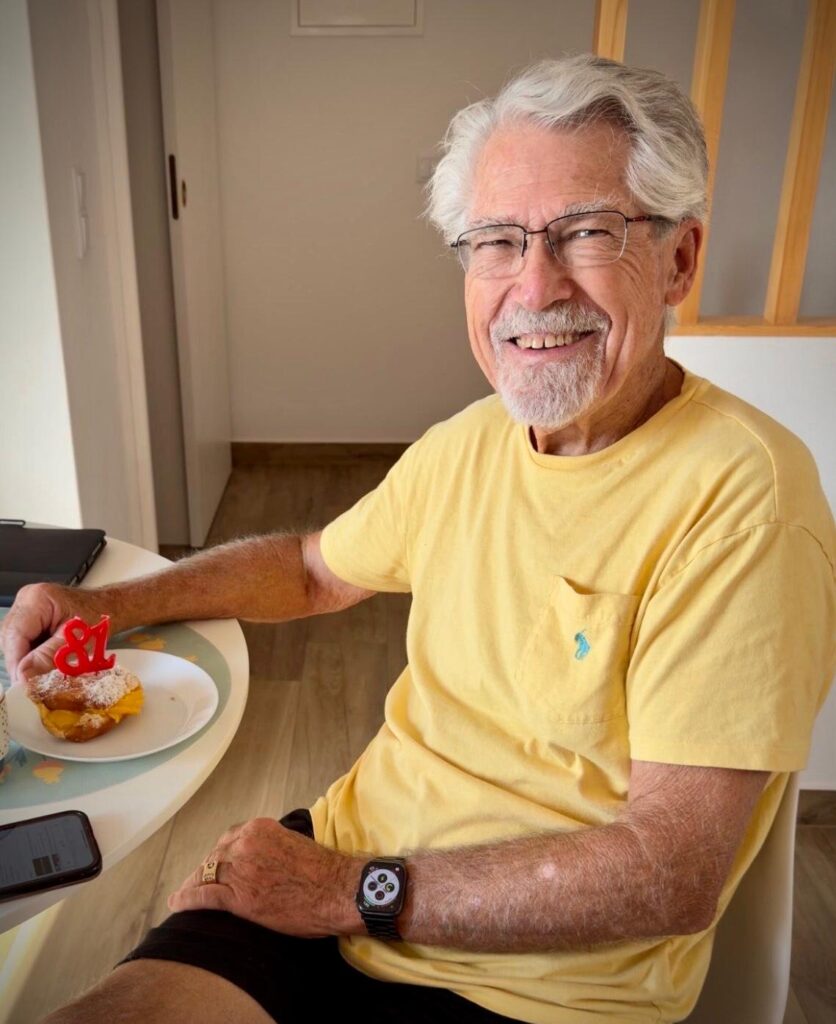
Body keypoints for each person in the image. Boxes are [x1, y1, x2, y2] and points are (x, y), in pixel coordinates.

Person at [3, 54, 834, 1024]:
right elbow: (312, 570)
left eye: (585, 232)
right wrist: (107, 603)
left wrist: (349, 890)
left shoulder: (744, 498)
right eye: (496, 241)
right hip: (345, 871)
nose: (533, 285)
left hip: (532, 987)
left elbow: (669, 869)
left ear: (679, 260)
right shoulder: (472, 441)